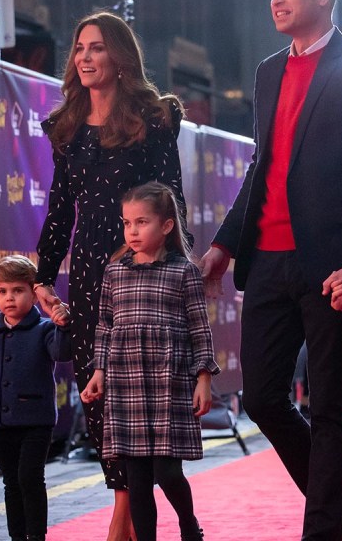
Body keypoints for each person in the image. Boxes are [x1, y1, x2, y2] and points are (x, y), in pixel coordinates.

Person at [199, 0, 342, 539]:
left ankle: (322, 529)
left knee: (330, 405)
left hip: (331, 265)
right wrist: (225, 243)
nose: (276, 0)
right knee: (262, 397)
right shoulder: (267, 71)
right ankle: (338, 498)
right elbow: (263, 165)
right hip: (267, 258)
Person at [33, 11, 189, 541]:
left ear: (119, 57)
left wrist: (149, 254)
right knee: (97, 397)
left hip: (139, 275)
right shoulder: (67, 129)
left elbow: (173, 200)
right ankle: (124, 511)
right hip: (87, 276)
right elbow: (59, 211)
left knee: (131, 397)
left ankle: (123, 519)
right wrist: (41, 278)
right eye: (79, 48)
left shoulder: (153, 120)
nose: (84, 57)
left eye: (96, 48)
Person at [80, 182, 220, 541]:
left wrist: (203, 378)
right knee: (137, 479)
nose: (132, 231)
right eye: (127, 223)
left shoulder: (183, 272)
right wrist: (99, 372)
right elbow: (104, 326)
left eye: (142, 222)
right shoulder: (115, 272)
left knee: (168, 473)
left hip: (168, 382)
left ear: (167, 226)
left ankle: (189, 524)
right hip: (126, 383)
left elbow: (199, 329)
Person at [0, 255, 72, 541]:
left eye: (18, 290)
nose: (9, 298)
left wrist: (64, 324)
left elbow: (63, 353)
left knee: (29, 478)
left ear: (34, 293)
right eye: (2, 291)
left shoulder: (46, 329)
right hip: (1, 422)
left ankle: (36, 535)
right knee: (11, 482)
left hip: (37, 421)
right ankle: (17, 536)